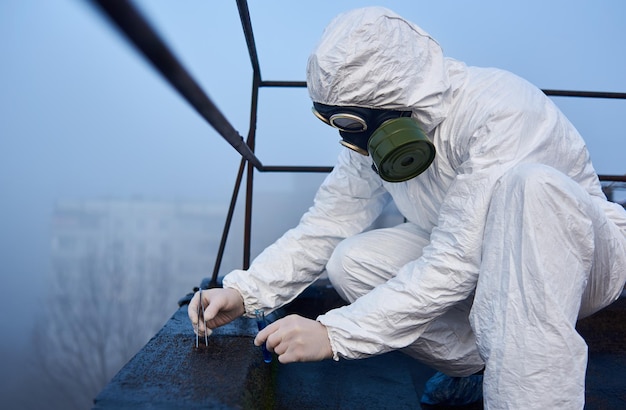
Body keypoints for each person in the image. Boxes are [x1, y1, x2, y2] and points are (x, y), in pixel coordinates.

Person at [188, 7, 626, 409]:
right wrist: (246, 292)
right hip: (472, 259)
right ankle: (479, 368)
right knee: (350, 262)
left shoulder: (501, 110)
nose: (351, 141)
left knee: (530, 186)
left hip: (580, 262)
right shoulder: (374, 139)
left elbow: (456, 259)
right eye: (335, 122)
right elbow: (328, 223)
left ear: (396, 100)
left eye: (352, 124)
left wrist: (335, 333)